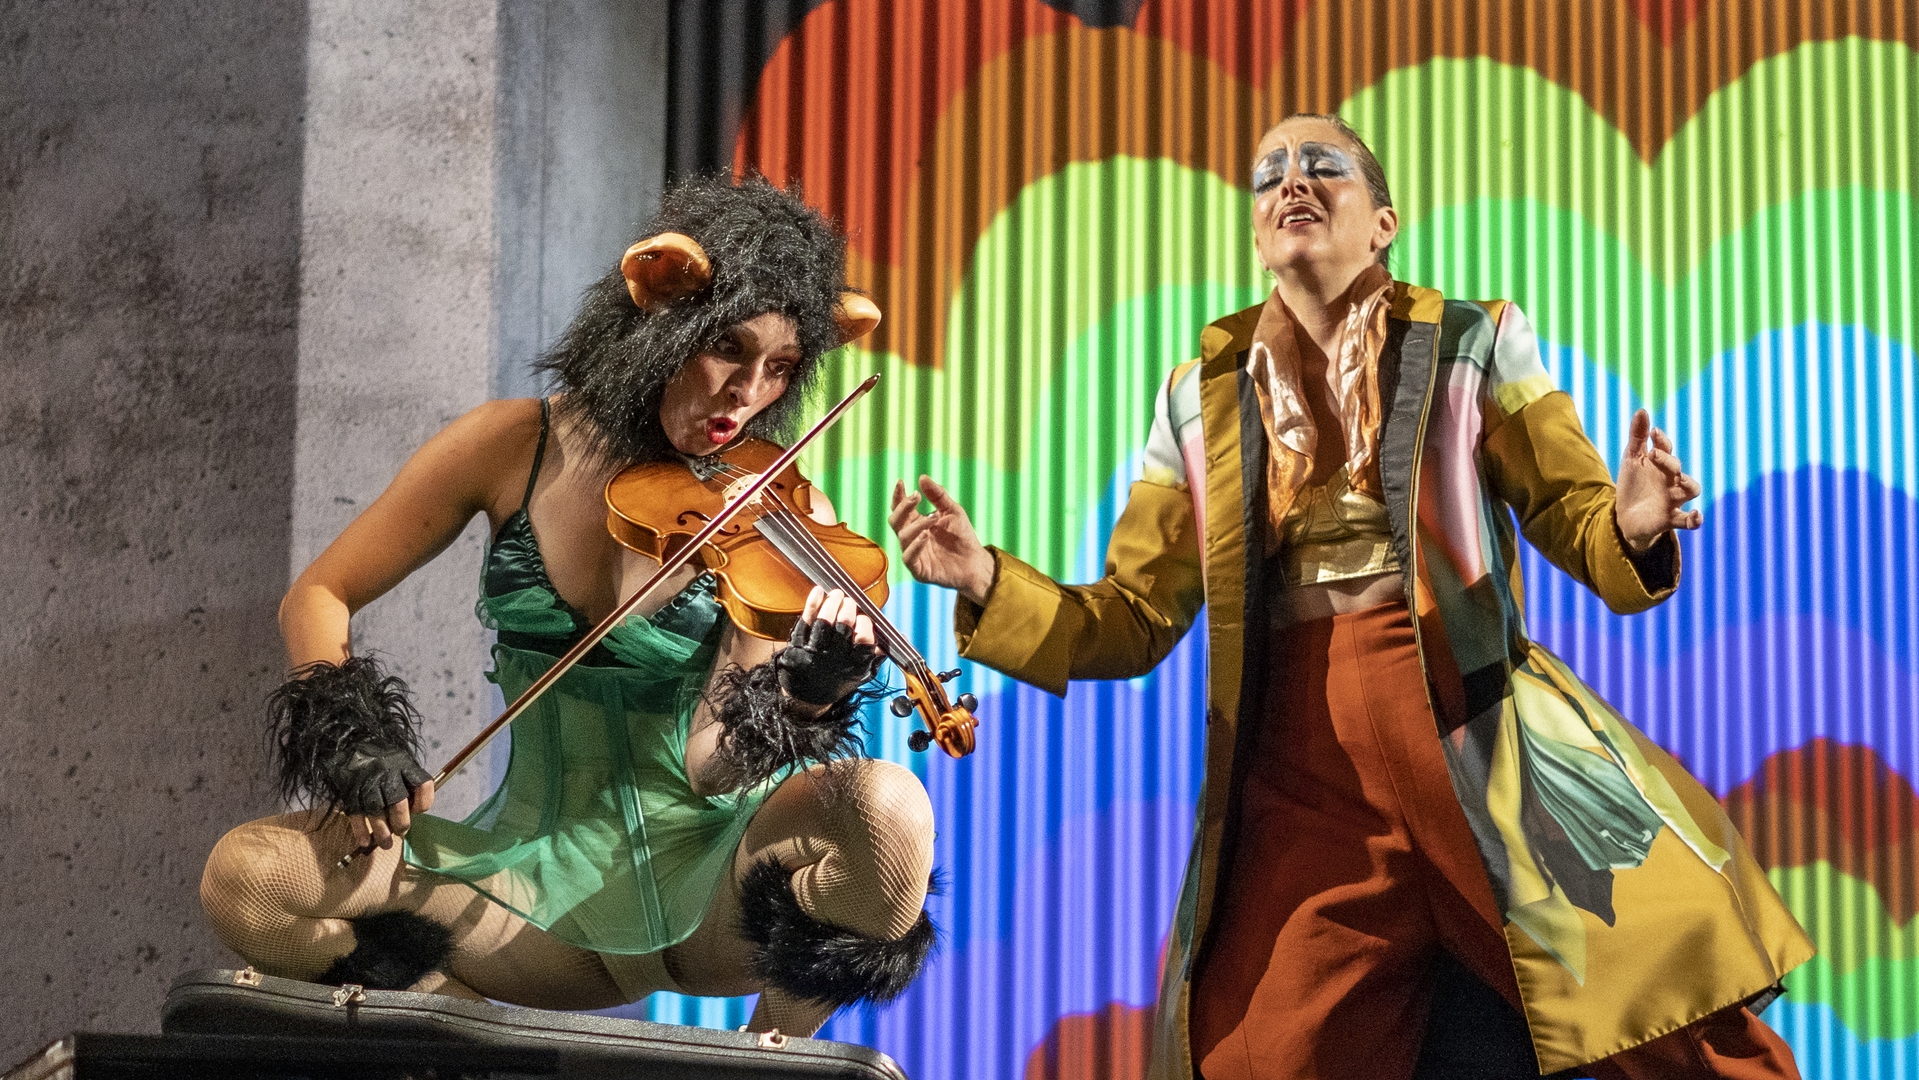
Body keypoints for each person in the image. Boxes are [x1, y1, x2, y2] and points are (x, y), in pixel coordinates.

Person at [889, 115, 1813, 1079]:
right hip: (1303, 778)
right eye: (1268, 176)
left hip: (1474, 743)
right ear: (1257, 234)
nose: (1291, 183)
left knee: (1669, 1014)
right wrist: (985, 580)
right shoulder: (1196, 397)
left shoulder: (1472, 341)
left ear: (1382, 223)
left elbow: (1571, 513)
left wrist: (1631, 522)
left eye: (1322, 167)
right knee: (1258, 1059)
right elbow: (1133, 616)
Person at [200, 175, 938, 1037]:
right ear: (659, 310)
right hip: (523, 900)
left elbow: (710, 768)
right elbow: (320, 594)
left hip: (714, 897)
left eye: (779, 368)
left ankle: (767, 1057)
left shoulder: (772, 511)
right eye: (727, 348)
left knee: (890, 810)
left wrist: (805, 699)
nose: (748, 392)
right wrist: (351, 736)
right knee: (248, 878)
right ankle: (470, 1049)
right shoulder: (510, 445)